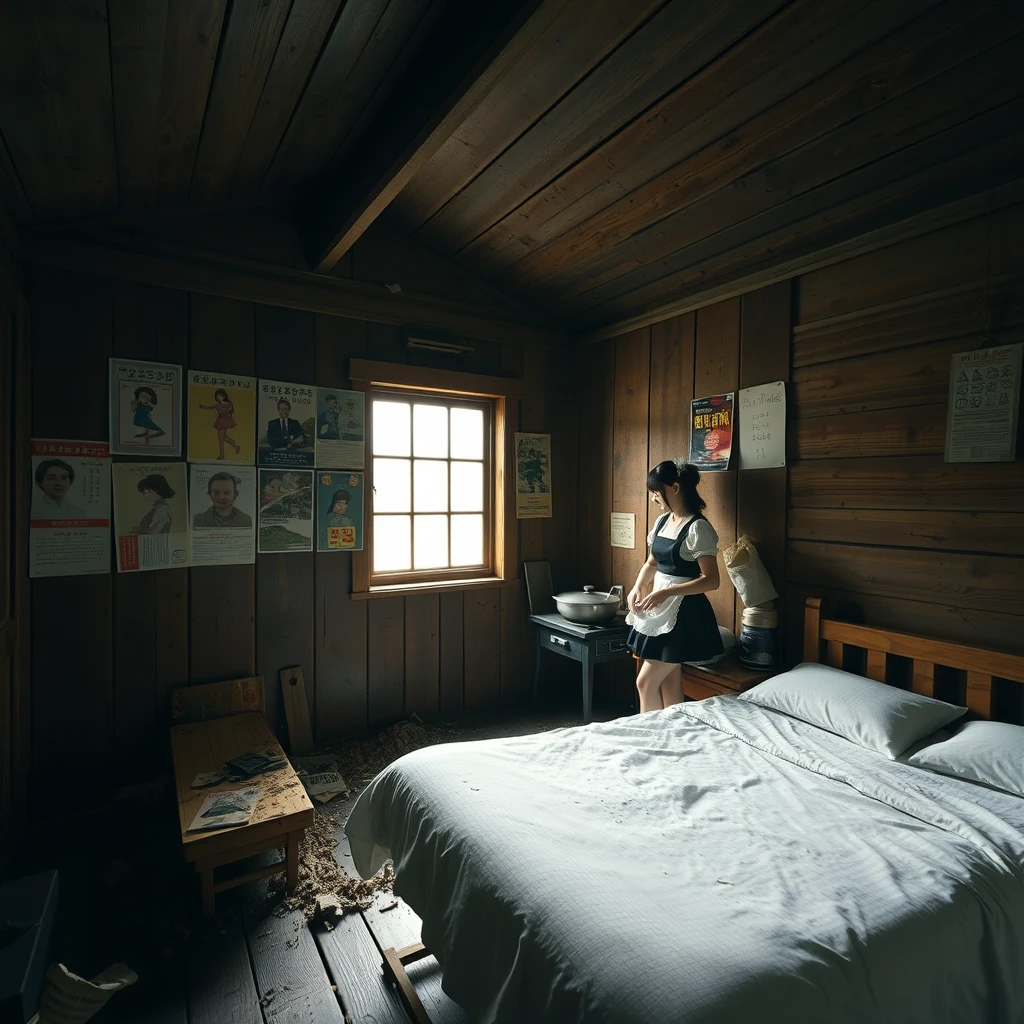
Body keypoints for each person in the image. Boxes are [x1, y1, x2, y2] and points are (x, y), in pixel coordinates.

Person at [625, 459, 724, 713]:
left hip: (685, 613)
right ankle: (673, 737)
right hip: (661, 608)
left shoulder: (698, 528)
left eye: (656, 492)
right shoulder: (662, 522)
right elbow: (651, 563)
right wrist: (637, 588)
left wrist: (666, 592)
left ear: (675, 487)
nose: (654, 498)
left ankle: (652, 739)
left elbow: (711, 580)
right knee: (670, 681)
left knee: (645, 682)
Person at [198, 388, 240, 460]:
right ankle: (235, 445)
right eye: (218, 396)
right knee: (223, 438)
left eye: (221, 396)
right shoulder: (217, 405)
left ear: (224, 396)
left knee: (221, 439)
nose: (219, 397)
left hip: (225, 421)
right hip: (220, 421)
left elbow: (231, 412)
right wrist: (202, 406)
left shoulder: (229, 404)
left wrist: (227, 416)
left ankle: (222, 455)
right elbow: (209, 407)